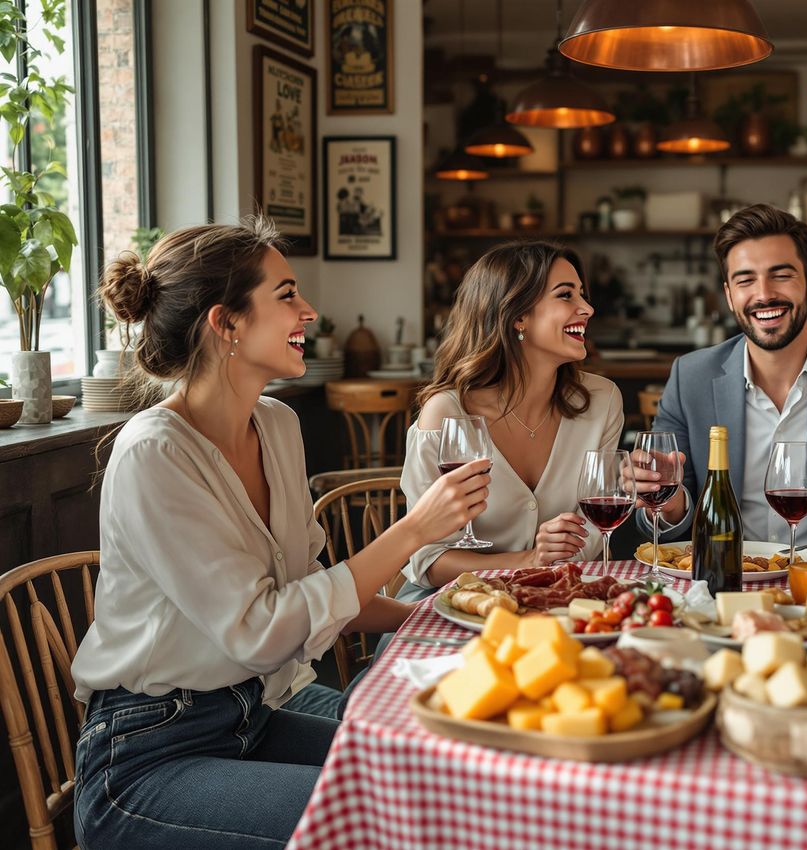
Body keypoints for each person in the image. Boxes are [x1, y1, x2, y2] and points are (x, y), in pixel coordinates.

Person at [71, 219, 490, 850]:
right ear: (227, 323)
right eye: (287, 294)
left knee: (435, 777)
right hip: (147, 756)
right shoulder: (156, 454)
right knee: (378, 821)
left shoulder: (277, 425)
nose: (309, 311)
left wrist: (445, 621)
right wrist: (413, 531)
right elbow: (261, 629)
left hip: (251, 719)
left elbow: (310, 590)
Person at [634, 204, 807, 559]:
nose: (764, 294)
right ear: (729, 295)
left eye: (781, 275)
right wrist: (666, 497)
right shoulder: (690, 377)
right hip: (724, 577)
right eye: (745, 280)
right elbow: (666, 522)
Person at [399, 240, 623, 594]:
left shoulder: (602, 401)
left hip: (558, 593)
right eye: (566, 295)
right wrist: (529, 559)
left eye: (582, 294)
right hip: (455, 597)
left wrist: (554, 559)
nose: (587, 308)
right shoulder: (447, 413)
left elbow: (594, 535)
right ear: (518, 316)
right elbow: (428, 560)